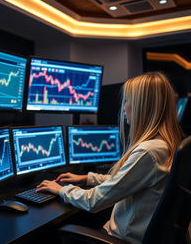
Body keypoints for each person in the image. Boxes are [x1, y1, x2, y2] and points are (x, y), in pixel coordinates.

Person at [37, 72, 184, 244]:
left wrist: (61, 189)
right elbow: (127, 180)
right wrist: (88, 177)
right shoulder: (166, 144)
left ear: (141, 106)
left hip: (122, 238)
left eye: (127, 101)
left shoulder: (148, 152)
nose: (123, 108)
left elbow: (94, 201)